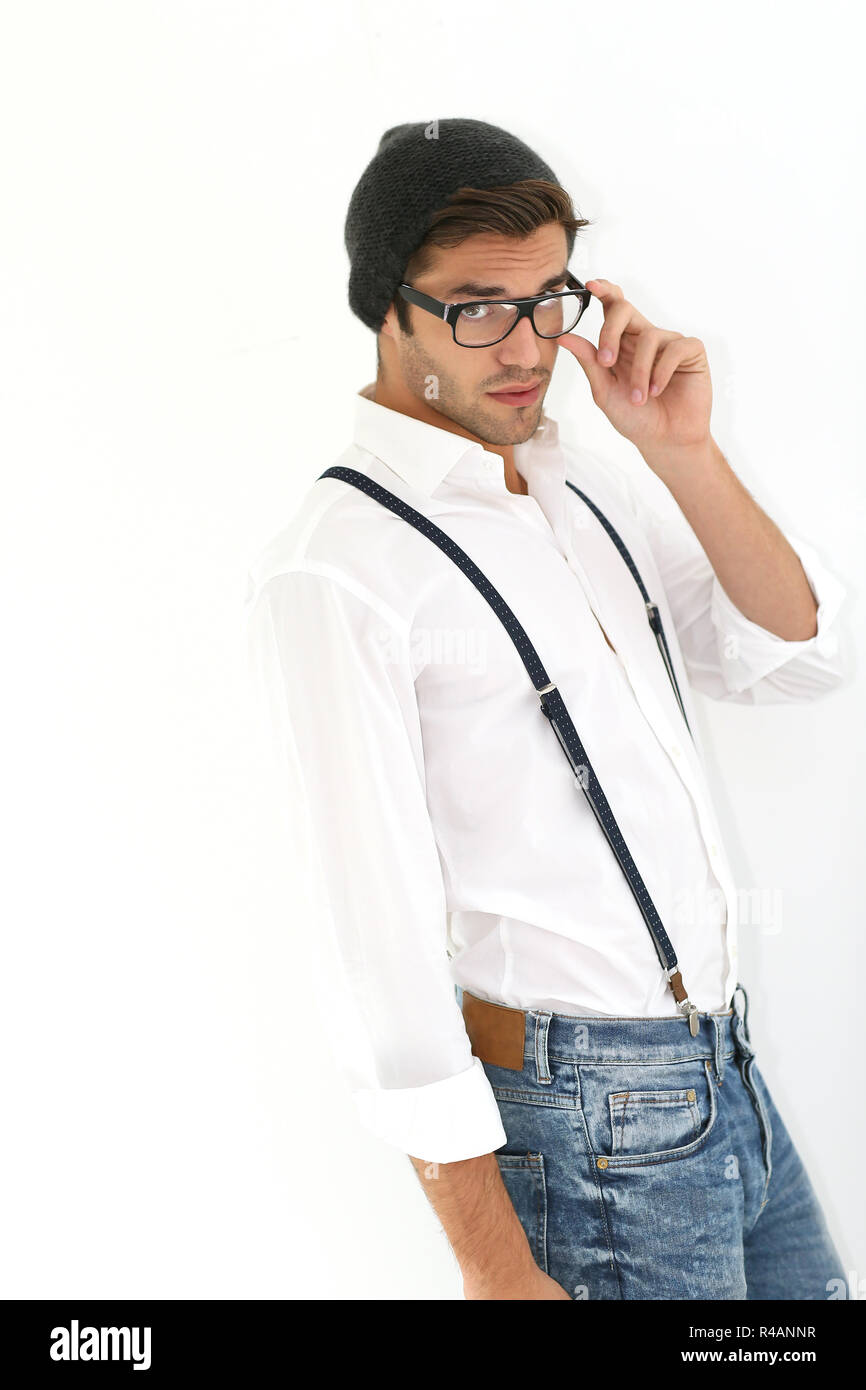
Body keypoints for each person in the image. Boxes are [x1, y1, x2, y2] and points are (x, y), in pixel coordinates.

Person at [243, 118, 848, 1300]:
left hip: (727, 1074)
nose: (525, 348)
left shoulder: (587, 484)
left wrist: (681, 450)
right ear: (386, 308)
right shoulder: (337, 567)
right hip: (584, 1128)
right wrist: (492, 1268)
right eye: (477, 308)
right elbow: (374, 958)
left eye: (546, 299)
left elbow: (791, 661)